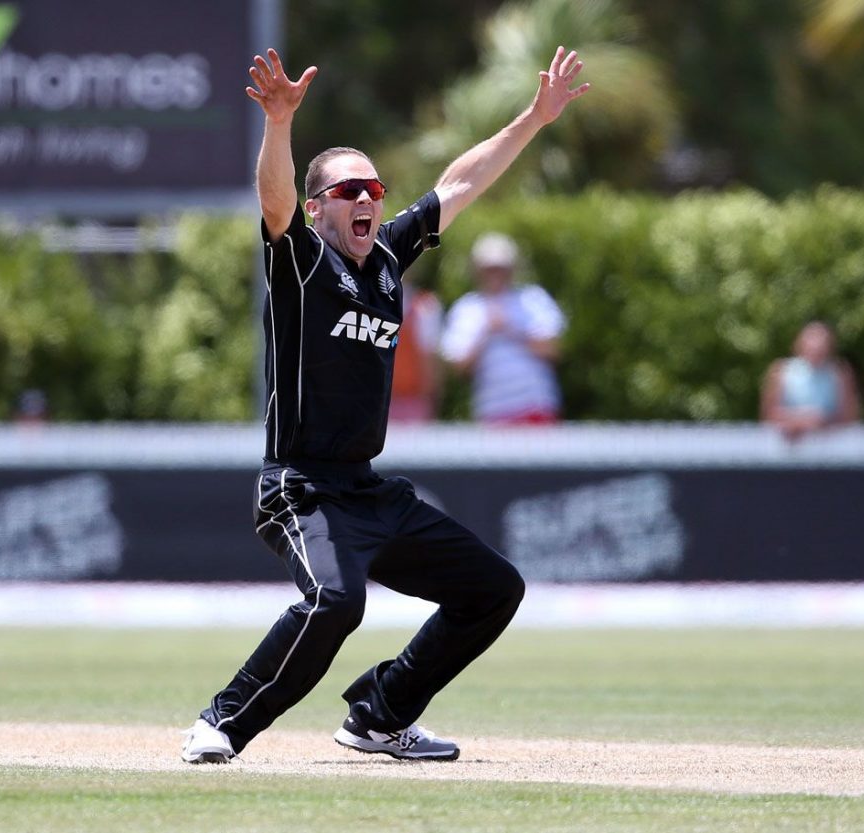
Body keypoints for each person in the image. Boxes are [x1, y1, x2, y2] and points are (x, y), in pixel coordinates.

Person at [179, 46, 589, 764]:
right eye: (348, 191)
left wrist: (533, 118)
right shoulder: (302, 260)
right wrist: (279, 123)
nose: (367, 198)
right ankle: (222, 720)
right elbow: (274, 201)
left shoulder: (391, 259)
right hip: (299, 487)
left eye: (373, 187)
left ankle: (382, 711)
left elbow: (460, 183)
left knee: (493, 588)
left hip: (366, 490)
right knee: (337, 603)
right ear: (318, 209)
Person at [440, 233, 566, 424]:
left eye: (500, 268)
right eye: (489, 269)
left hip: (536, 405)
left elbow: (553, 350)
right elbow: (459, 367)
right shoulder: (467, 308)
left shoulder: (533, 299)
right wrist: (486, 332)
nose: (495, 274)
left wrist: (510, 328)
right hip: (492, 411)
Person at [760, 321, 860, 440]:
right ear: (800, 344)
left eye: (821, 345)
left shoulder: (840, 373)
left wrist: (822, 421)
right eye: (811, 343)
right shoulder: (781, 370)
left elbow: (849, 415)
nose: (816, 349)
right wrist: (800, 421)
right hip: (790, 445)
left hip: (831, 445)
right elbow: (769, 414)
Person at [388, 281, 444, 423]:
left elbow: (430, 362)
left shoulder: (426, 306)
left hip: (415, 403)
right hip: (380, 402)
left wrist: (430, 402)